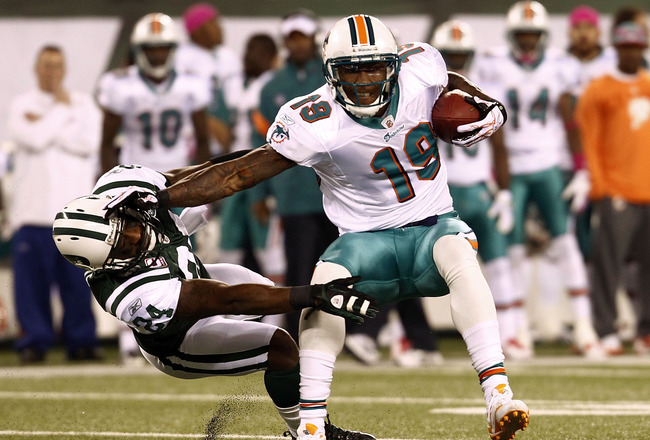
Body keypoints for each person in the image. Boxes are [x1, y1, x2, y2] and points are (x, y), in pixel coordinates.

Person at [109, 14, 530, 440]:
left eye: (374, 67)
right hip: (365, 244)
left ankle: (498, 395)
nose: (365, 81)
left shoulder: (422, 68)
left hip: (432, 227)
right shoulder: (315, 118)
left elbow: (447, 79)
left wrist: (487, 104)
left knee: (459, 254)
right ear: (330, 73)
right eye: (351, 70)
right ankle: (311, 427)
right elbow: (239, 173)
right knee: (324, 284)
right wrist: (160, 197)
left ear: (396, 65)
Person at [52, 163, 378, 440]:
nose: (136, 238)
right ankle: (310, 433)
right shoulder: (130, 295)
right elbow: (224, 299)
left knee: (266, 289)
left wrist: (272, 157)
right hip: (180, 339)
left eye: (127, 228)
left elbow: (190, 178)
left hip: (189, 275)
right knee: (280, 345)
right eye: (123, 248)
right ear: (106, 264)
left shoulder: (121, 188)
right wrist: (314, 294)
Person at [473, 1, 603, 357]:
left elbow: (570, 118)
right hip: (512, 167)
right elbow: (490, 124)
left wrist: (581, 168)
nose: (528, 41)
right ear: (513, 36)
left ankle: (584, 327)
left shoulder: (561, 66)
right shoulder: (493, 64)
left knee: (566, 244)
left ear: (543, 36)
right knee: (513, 250)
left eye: (533, 34)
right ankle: (517, 332)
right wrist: (494, 174)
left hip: (547, 165)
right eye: (523, 34)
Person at [432, 19, 532, 360]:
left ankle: (513, 333)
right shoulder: (424, 91)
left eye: (462, 55)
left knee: (499, 262)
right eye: (451, 55)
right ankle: (403, 335)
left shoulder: (483, 88)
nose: (457, 61)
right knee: (422, 270)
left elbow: (499, 144)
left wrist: (504, 193)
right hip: (442, 195)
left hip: (476, 189)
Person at [6, 45, 102, 363]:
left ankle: (82, 341)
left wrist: (47, 124)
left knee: (76, 284)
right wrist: (63, 116)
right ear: (37, 68)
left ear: (64, 70)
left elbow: (89, 142)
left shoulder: (84, 103)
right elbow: (31, 139)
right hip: (31, 215)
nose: (52, 72)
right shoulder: (22, 104)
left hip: (74, 217)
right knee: (31, 289)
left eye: (57, 66)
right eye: (46, 65)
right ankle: (34, 341)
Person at [249, 9, 339, 341]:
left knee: (342, 268)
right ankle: (297, 336)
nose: (297, 44)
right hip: (292, 193)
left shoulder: (335, 73)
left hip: (337, 188)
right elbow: (260, 143)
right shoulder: (270, 86)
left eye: (302, 36)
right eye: (292, 38)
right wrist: (259, 192)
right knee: (299, 272)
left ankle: (347, 333)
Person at [575, 19, 650, 356]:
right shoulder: (599, 89)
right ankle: (605, 329)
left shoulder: (648, 85)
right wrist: (599, 185)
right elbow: (588, 139)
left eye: (637, 48)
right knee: (609, 265)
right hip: (616, 189)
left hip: (647, 188)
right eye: (626, 48)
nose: (632, 54)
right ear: (617, 49)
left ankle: (645, 331)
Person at [98, 12, 211, 174]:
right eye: (151, 49)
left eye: (163, 48)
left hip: (178, 173)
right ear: (138, 50)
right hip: (134, 174)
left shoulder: (190, 83)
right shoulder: (120, 85)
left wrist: (203, 183)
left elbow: (202, 140)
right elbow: (107, 144)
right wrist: (110, 184)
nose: (158, 55)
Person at [219, 34, 285, 282]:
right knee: (227, 244)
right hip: (232, 169)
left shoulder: (275, 85)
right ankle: (225, 311)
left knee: (269, 245)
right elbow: (218, 122)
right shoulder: (233, 83)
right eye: (248, 50)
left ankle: (275, 315)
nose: (250, 57)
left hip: (262, 170)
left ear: (272, 57)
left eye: (258, 52)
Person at [175, 2, 242, 153]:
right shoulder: (180, 59)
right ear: (197, 31)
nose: (220, 28)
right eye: (213, 23)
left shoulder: (228, 56)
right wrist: (211, 125)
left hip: (230, 134)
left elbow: (236, 99)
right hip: (192, 139)